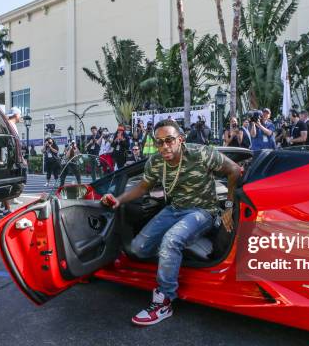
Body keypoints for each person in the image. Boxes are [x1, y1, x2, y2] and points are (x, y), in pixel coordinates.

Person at [101, 119, 241, 326]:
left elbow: (235, 170)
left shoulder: (200, 153)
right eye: (159, 142)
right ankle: (172, 258)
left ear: (180, 139)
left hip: (204, 211)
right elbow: (143, 187)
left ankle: (164, 301)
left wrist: (229, 206)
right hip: (174, 209)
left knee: (170, 240)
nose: (164, 146)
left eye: (169, 140)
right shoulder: (156, 162)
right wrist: (118, 200)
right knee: (138, 248)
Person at [0, 106, 23, 215]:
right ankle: (7, 208)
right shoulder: (9, 124)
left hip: (11, 158)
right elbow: (13, 143)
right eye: (20, 114)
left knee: (8, 183)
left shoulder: (8, 124)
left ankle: (3, 207)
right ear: (16, 115)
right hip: (10, 159)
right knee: (10, 183)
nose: (21, 116)